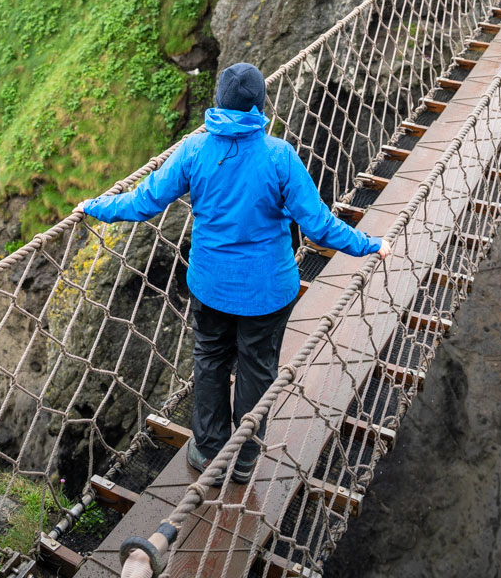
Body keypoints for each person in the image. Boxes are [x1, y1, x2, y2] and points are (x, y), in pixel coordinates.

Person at [77, 61, 391, 484]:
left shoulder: (194, 150)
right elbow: (318, 226)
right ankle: (243, 460)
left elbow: (143, 201)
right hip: (267, 292)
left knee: (209, 360)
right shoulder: (279, 156)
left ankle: (207, 450)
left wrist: (95, 206)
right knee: (257, 366)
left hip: (211, 287)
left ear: (218, 103)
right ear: (260, 106)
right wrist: (370, 244)